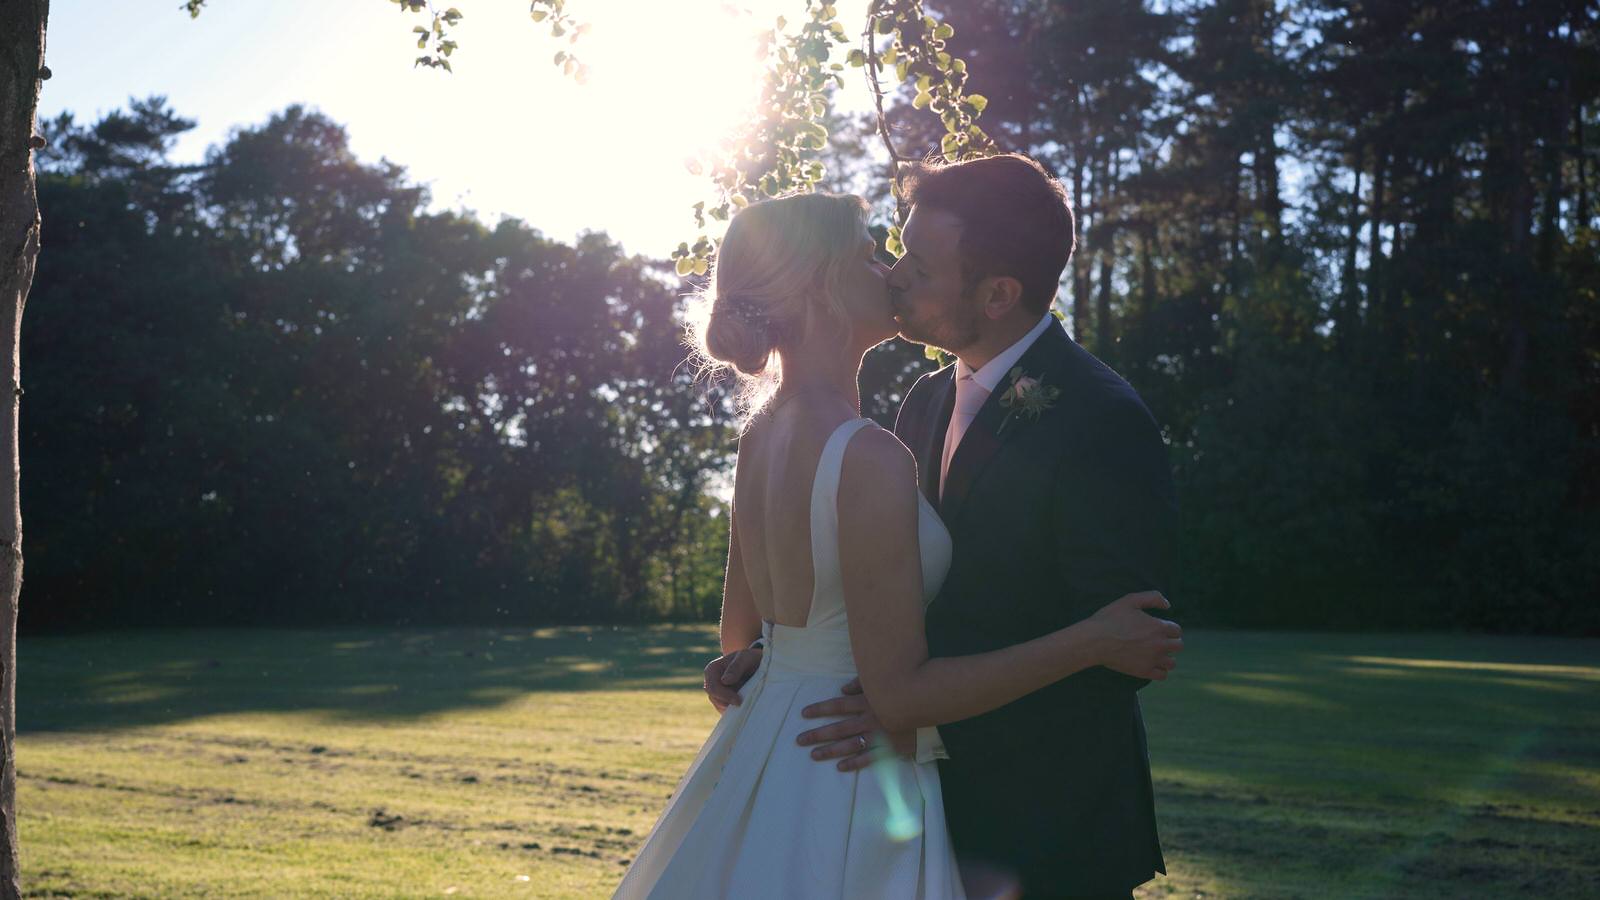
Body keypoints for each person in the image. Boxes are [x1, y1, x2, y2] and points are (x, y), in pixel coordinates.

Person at [619, 185, 1181, 899]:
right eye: (882, 253)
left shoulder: (1102, 418)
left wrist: (904, 715)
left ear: (998, 294)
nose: (893, 272)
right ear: (824, 287)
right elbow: (796, 631)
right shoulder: (913, 410)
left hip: (1042, 823)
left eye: (916, 261)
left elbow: (1126, 649)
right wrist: (785, 665)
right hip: (855, 777)